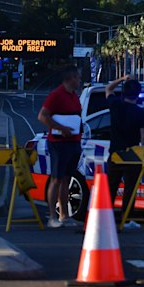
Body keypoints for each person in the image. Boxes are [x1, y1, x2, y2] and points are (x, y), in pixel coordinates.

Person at [38, 64, 83, 228]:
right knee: (56, 179)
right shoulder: (56, 95)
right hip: (59, 144)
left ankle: (64, 215)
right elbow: (42, 116)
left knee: (67, 179)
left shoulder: (74, 96)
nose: (80, 80)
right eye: (78, 77)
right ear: (70, 78)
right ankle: (52, 217)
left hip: (74, 142)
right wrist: (61, 128)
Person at [105, 74, 144, 230]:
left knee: (111, 187)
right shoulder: (141, 113)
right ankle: (127, 218)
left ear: (123, 92)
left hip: (116, 153)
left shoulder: (115, 105)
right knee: (130, 188)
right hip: (133, 155)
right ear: (138, 94)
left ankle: (106, 217)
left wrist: (122, 79)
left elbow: (108, 88)